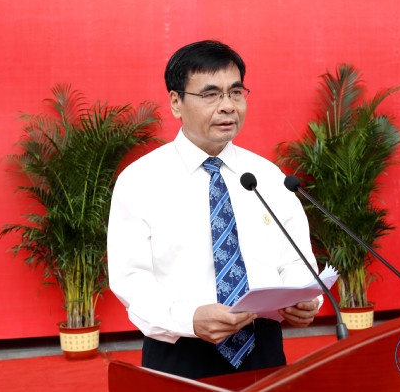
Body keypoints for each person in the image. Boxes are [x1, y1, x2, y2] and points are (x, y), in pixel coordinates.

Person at [107, 40, 321, 379]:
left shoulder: (266, 176)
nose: (228, 106)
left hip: (263, 347)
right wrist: (188, 319)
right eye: (210, 95)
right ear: (176, 102)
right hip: (178, 349)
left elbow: (296, 260)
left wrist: (305, 298)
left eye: (235, 92)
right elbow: (131, 278)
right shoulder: (140, 180)